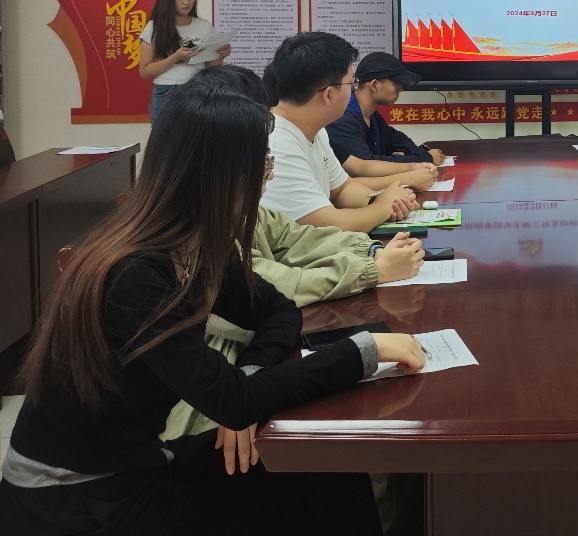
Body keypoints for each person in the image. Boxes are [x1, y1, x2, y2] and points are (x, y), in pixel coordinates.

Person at [0, 85, 426, 536]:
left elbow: (278, 312)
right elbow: (232, 401)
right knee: (303, 488)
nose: (267, 178)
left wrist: (249, 376)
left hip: (136, 462)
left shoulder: (197, 245)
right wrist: (363, 351)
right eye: (261, 164)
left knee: (327, 464)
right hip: (75, 497)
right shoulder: (135, 274)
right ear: (220, 175)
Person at [161, 64, 425, 439]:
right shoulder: (177, 246)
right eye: (261, 161)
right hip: (189, 421)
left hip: (235, 379)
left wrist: (370, 252)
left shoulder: (224, 208)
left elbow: (290, 254)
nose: (268, 173)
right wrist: (373, 271)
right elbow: (278, 284)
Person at [260, 32, 429, 233]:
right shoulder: (277, 143)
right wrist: (382, 207)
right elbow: (328, 224)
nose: (354, 90)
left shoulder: (315, 130)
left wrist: (384, 200)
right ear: (329, 94)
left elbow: (342, 189)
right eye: (351, 83)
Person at [138, 0, 230, 123]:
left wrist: (221, 55)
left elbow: (211, 67)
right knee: (167, 137)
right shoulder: (155, 27)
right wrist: (176, 57)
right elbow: (145, 71)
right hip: (167, 90)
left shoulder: (204, 26)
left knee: (197, 136)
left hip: (199, 89)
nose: (186, 2)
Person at [327, 52, 445, 170]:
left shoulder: (372, 115)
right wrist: (425, 158)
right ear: (374, 85)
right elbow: (367, 165)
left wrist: (404, 152)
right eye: (396, 83)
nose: (400, 89)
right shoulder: (343, 119)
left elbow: (398, 140)